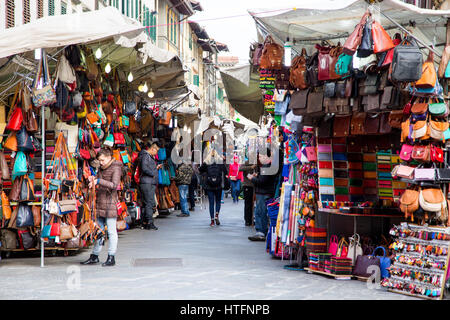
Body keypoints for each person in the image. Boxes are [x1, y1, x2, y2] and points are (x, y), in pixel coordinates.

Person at [81, 147, 123, 267]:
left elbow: (114, 185)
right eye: (100, 160)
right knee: (98, 231)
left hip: (110, 204)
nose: (101, 163)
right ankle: (94, 256)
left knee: (111, 232)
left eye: (103, 160)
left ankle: (111, 257)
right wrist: (93, 180)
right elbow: (100, 181)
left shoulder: (116, 168)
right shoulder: (101, 168)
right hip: (100, 203)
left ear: (109, 157)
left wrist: (99, 181)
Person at [248, 152, 277, 241]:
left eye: (260, 156)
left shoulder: (267, 167)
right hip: (264, 192)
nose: (259, 158)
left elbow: (262, 182)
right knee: (260, 212)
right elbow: (263, 179)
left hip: (263, 193)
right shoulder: (267, 167)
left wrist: (252, 178)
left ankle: (261, 232)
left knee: (260, 212)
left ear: (266, 156)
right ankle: (261, 231)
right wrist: (257, 176)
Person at [199, 149, 228, 227]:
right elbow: (226, 172)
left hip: (209, 185)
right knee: (218, 201)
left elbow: (200, 170)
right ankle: (216, 215)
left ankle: (212, 221)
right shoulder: (220, 161)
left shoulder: (206, 162)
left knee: (211, 203)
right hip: (218, 185)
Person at [138, 142, 162, 230]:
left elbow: (146, 167)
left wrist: (156, 168)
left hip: (148, 182)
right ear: (153, 149)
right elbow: (144, 168)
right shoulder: (146, 156)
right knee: (149, 203)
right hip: (147, 182)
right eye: (156, 151)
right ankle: (149, 222)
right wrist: (153, 174)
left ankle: (144, 222)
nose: (156, 154)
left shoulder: (147, 156)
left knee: (146, 203)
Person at [239, 160, 257, 226]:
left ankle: (252, 219)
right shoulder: (246, 162)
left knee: (253, 204)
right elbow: (240, 168)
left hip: (255, 185)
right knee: (248, 203)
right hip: (247, 185)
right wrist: (251, 167)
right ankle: (247, 220)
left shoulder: (257, 162)